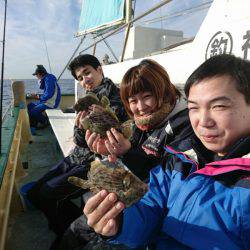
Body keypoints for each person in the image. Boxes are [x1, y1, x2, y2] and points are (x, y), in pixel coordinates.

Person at [83, 54, 250, 249]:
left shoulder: (180, 135)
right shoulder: (181, 159)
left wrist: (127, 154)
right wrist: (119, 223)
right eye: (194, 107)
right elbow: (151, 207)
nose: (203, 121)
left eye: (219, 106)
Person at [59, 59, 194, 249]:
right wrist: (108, 154)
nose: (140, 107)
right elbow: (125, 164)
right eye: (132, 101)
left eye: (147, 96)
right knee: (74, 231)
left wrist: (127, 152)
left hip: (149, 214)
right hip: (125, 198)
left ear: (164, 91)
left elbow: (167, 180)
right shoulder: (139, 123)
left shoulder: (186, 125)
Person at [26, 54, 127, 248]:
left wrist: (101, 120)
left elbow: (114, 141)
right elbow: (80, 141)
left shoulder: (116, 99)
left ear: (100, 69)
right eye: (80, 78)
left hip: (95, 162)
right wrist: (80, 126)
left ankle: (67, 233)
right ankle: (66, 226)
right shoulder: (87, 100)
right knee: (33, 193)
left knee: (47, 194)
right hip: (76, 156)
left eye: (87, 73)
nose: (84, 80)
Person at [28, 65, 61, 134]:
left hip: (51, 103)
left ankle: (45, 121)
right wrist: (38, 96)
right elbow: (45, 91)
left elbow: (49, 94)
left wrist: (38, 97)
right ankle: (33, 126)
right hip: (47, 101)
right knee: (30, 105)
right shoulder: (47, 78)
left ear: (40, 74)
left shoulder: (49, 79)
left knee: (33, 111)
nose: (36, 77)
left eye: (36, 75)